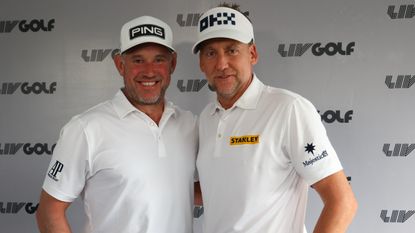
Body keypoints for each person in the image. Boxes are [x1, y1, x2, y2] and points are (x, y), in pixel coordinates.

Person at [193, 4, 357, 233]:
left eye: (232, 50)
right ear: (202, 63)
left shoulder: (289, 109)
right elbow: (221, 188)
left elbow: (342, 202)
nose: (221, 64)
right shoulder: (206, 118)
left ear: (252, 54)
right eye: (211, 53)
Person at [36, 15, 198, 233]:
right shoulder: (86, 129)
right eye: (138, 60)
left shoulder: (190, 124)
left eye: (159, 59)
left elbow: (189, 188)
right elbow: (49, 212)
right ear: (120, 65)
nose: (149, 71)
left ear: (173, 64)